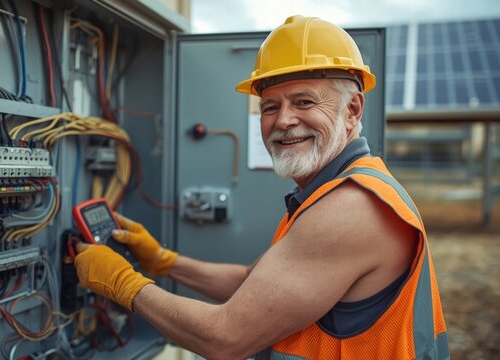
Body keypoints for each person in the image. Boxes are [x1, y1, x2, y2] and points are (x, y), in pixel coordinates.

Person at [74, 15, 449, 359]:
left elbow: (225, 338)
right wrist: (164, 262)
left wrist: (123, 283)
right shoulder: (331, 190)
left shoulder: (352, 207)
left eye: (304, 102)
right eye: (269, 107)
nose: (283, 120)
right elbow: (250, 283)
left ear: (352, 110)